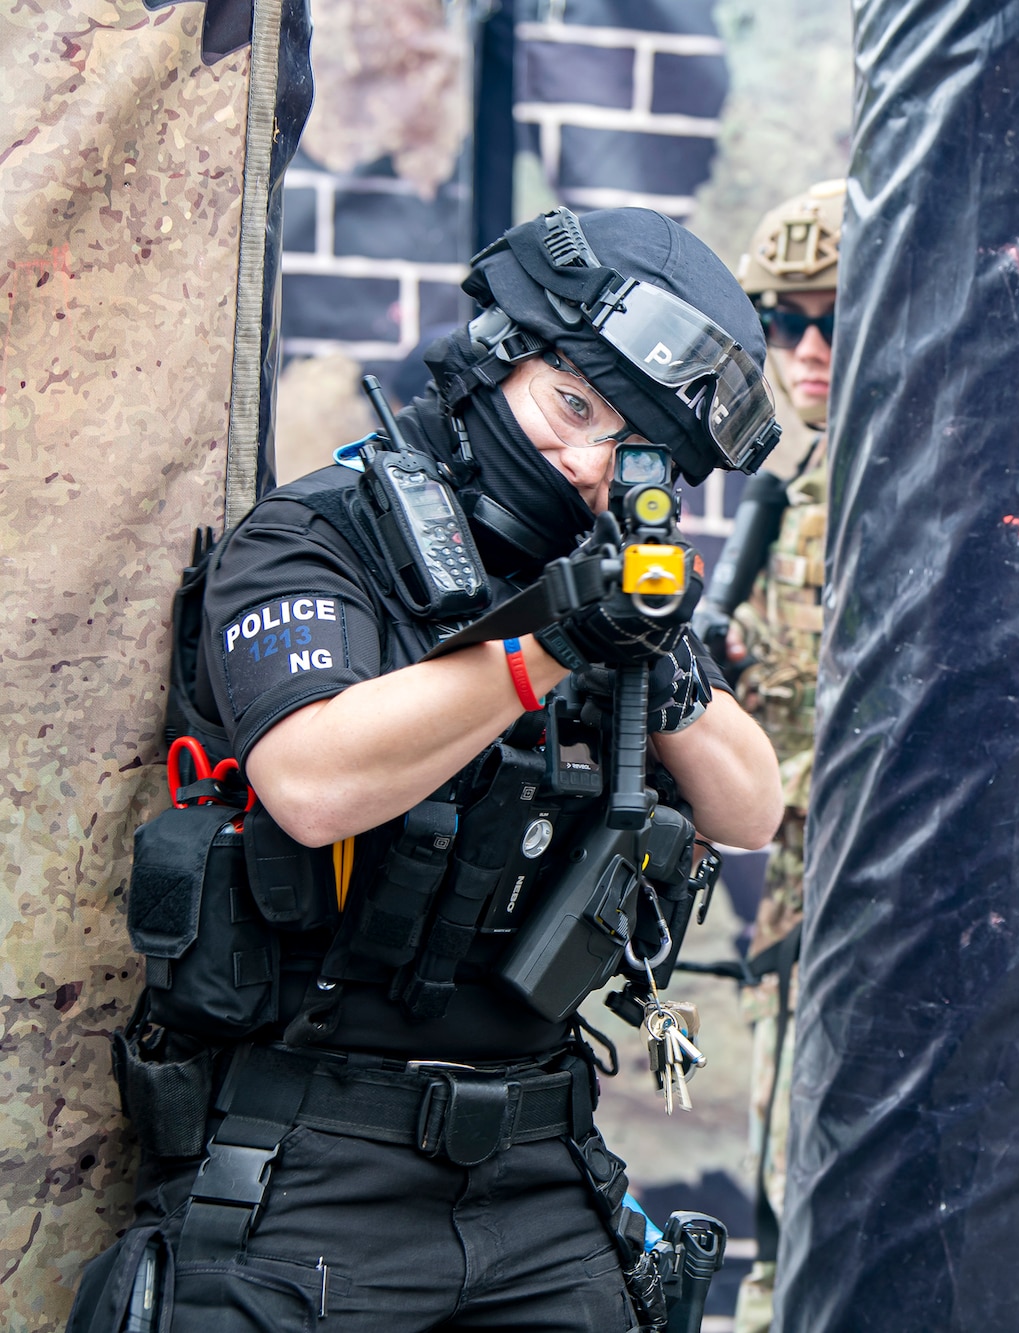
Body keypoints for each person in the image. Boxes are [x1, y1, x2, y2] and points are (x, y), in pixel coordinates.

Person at [75, 206, 785, 1331]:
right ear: (499, 355)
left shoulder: (599, 580)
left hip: (543, 1163)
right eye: (572, 407)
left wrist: (646, 639)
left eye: (629, 449)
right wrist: (550, 648)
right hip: (316, 1161)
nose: (588, 463)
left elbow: (750, 809)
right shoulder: (316, 535)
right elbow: (310, 783)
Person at [693, 177, 843, 1333]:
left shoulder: (909, 492)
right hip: (800, 908)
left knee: (821, 1223)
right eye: (783, 322)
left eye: (832, 320)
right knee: (778, 1229)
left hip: (870, 922)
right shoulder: (800, 490)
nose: (803, 350)